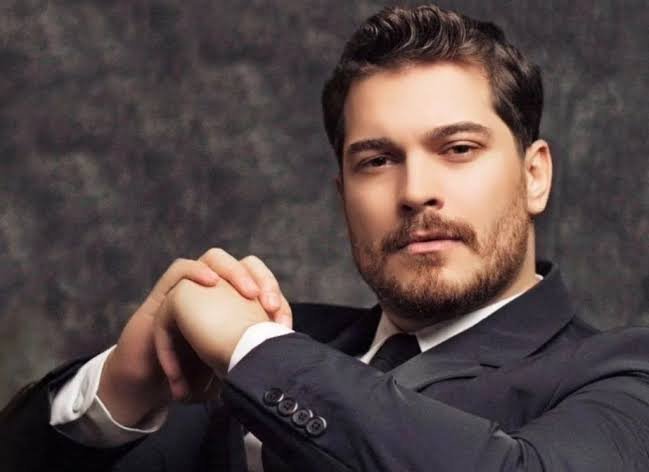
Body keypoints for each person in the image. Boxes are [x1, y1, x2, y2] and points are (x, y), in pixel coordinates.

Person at [2, 4, 649, 471]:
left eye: (457, 148)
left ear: (534, 176)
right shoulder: (259, 343)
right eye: (376, 160)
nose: (415, 190)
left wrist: (252, 350)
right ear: (343, 194)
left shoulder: (621, 374)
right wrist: (122, 384)